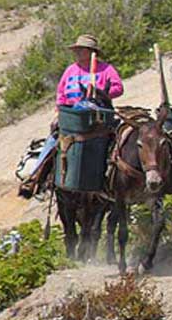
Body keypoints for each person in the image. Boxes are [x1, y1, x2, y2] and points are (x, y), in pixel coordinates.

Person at [19, 34, 124, 198]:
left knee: (117, 144)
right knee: (53, 141)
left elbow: (118, 88)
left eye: (81, 50)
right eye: (77, 50)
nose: (77, 53)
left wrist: (101, 93)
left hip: (98, 115)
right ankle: (35, 177)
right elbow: (61, 93)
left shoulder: (105, 69)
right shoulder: (71, 70)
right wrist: (58, 113)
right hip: (72, 115)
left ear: (91, 52)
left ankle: (115, 181)